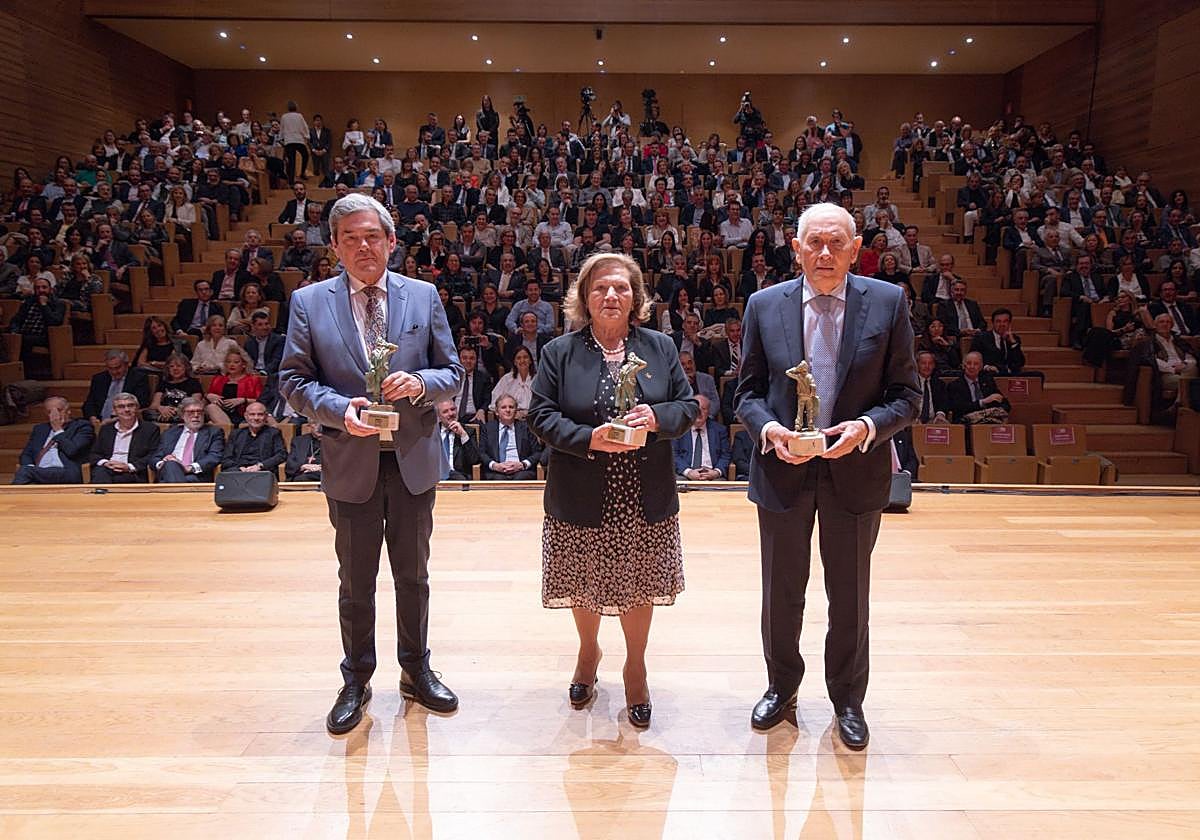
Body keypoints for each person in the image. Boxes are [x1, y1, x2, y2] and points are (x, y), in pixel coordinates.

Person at [734, 203, 918, 747]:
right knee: (781, 591)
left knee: (850, 595)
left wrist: (865, 427)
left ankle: (847, 699)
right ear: (795, 248)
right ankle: (781, 687)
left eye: (836, 243)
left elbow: (908, 396)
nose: (824, 253)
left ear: (855, 248)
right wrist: (770, 431)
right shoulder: (764, 305)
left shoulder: (888, 302)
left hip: (855, 472)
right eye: (813, 242)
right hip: (783, 471)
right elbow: (746, 393)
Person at [279, 193, 463, 735]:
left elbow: (451, 370)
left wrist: (422, 382)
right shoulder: (310, 302)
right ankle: (356, 679)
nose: (364, 246)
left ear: (391, 242)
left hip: (411, 460)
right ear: (334, 245)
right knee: (356, 582)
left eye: (373, 236)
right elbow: (292, 382)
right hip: (350, 458)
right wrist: (339, 409)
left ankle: (416, 671)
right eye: (352, 238)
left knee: (414, 575)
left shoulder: (424, 295)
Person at [528, 251, 699, 728]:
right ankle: (588, 654)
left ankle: (636, 667)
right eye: (600, 287)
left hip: (643, 493)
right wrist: (589, 439)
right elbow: (539, 416)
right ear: (584, 297)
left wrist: (658, 418)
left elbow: (688, 406)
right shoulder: (558, 352)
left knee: (640, 582)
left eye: (621, 287)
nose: (610, 295)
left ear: (635, 297)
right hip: (581, 488)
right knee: (582, 581)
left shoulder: (661, 348)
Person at [12, 397, 95, 485]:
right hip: (39, 470)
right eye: (49, 412)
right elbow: (26, 454)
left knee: (24, 472)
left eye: (58, 410)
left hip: (65, 471)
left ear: (68, 411)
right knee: (26, 473)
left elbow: (72, 450)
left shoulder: (82, 427)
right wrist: (31, 467)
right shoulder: (40, 429)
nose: (54, 415)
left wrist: (58, 430)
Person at [89, 392, 161, 484]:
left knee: (108, 480)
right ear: (114, 411)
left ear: (137, 408)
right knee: (100, 472)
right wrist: (105, 463)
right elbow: (95, 453)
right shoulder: (106, 429)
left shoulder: (150, 429)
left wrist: (129, 467)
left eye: (130, 405)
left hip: (132, 472)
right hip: (107, 468)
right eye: (121, 407)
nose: (126, 409)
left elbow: (153, 455)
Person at [152, 397, 226, 482]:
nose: (196, 415)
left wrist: (189, 468)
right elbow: (155, 458)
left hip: (195, 476)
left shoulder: (214, 432)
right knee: (171, 464)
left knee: (176, 474)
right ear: (182, 415)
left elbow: (214, 456)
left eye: (200, 412)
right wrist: (162, 463)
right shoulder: (169, 433)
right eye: (191, 412)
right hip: (168, 473)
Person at [479, 393, 541, 479]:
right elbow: (482, 453)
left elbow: (537, 453)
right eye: (503, 407)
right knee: (498, 480)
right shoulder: (487, 428)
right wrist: (495, 465)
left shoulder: (526, 428)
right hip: (496, 471)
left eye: (511, 407)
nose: (508, 410)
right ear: (497, 412)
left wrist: (522, 464)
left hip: (521, 471)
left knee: (521, 478)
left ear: (516, 411)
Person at [82, 349, 151, 423]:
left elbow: (141, 403)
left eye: (117, 368)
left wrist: (117, 418)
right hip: (99, 421)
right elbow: (89, 403)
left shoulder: (138, 378)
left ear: (126, 364)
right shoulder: (99, 379)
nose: (114, 372)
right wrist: (92, 417)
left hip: (124, 420)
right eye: (110, 368)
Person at [673, 394, 731, 480]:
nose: (699, 412)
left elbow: (725, 455)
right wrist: (688, 472)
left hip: (712, 475)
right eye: (696, 408)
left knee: (721, 485)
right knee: (678, 483)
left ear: (708, 412)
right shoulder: (679, 429)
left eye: (703, 409)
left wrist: (716, 472)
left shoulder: (719, 430)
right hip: (686, 475)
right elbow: (674, 455)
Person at [221, 401, 286, 473]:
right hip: (238, 471)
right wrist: (239, 468)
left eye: (260, 414)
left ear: (266, 416)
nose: (256, 418)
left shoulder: (274, 433)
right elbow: (226, 458)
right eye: (252, 414)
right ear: (246, 416)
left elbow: (281, 455)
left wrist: (260, 466)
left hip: (262, 471)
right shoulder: (236, 434)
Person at [948, 351, 1011, 423]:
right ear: (963, 365)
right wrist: (982, 402)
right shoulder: (955, 385)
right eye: (969, 363)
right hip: (966, 423)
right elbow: (958, 408)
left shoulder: (988, 382)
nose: (972, 366)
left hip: (988, 421)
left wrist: (998, 409)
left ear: (981, 366)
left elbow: (1005, 404)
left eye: (976, 364)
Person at [145, 352, 202, 423]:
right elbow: (154, 405)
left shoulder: (193, 383)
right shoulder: (163, 383)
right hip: (164, 412)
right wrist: (161, 408)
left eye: (178, 366)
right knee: (147, 413)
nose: (175, 369)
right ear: (168, 369)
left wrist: (176, 410)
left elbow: (195, 403)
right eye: (171, 366)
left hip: (182, 412)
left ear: (186, 367)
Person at [435, 399, 481, 480]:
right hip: (435, 474)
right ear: (438, 416)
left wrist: (463, 435)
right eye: (445, 411)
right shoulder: (432, 432)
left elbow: (474, 460)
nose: (451, 414)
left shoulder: (468, 431)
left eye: (453, 409)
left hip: (458, 475)